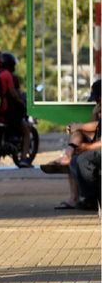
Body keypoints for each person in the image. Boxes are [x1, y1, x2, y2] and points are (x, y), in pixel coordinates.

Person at [43, 80, 101, 210]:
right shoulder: (98, 108)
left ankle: (88, 197)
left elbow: (97, 127)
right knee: (74, 152)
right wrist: (94, 114)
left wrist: (80, 128)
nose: (97, 102)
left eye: (98, 99)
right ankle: (68, 155)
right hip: (98, 141)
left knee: (79, 147)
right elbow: (97, 127)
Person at [0, 52, 32, 168]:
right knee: (26, 130)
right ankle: (23, 159)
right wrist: (22, 102)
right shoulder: (7, 75)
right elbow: (13, 93)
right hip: (8, 111)